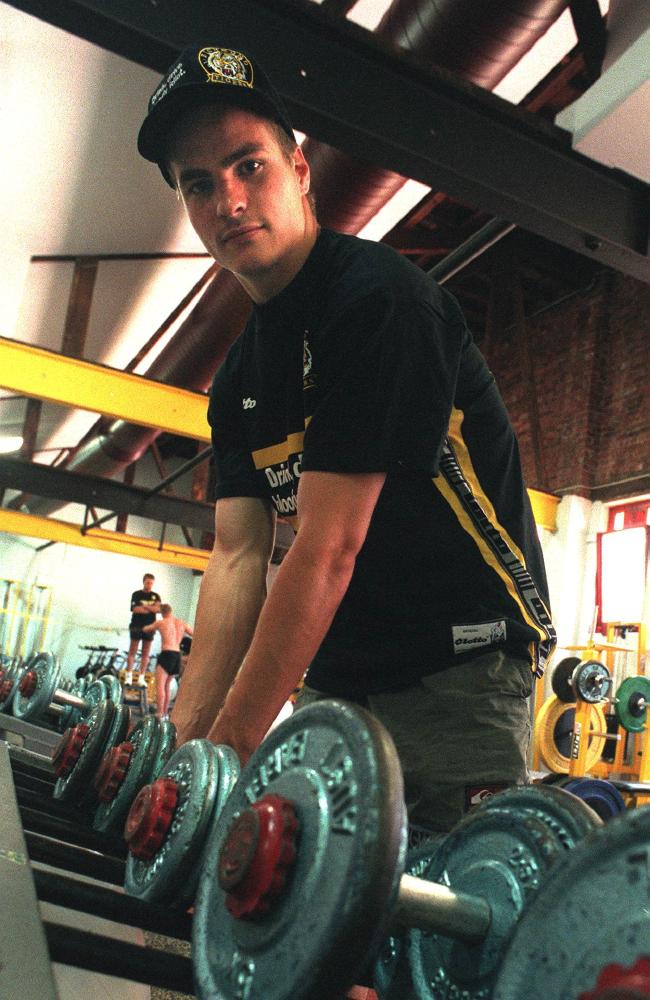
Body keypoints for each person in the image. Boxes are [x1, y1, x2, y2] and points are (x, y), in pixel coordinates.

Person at [137, 43, 556, 835]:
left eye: (247, 166)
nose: (227, 201)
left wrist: (232, 744)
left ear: (299, 170)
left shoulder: (381, 302)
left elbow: (329, 545)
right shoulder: (237, 382)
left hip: (458, 661)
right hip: (336, 669)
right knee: (307, 903)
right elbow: (234, 563)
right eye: (200, 184)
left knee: (444, 923)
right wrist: (185, 760)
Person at [143, 604, 193, 719]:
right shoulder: (181, 623)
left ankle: (159, 714)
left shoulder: (162, 622)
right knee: (167, 686)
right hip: (177, 656)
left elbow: (146, 629)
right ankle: (164, 714)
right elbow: (194, 634)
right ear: (171, 611)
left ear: (161, 612)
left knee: (160, 686)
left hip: (167, 653)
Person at [126, 573, 161, 686]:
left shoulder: (156, 596)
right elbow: (135, 609)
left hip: (150, 627)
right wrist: (150, 608)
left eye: (151, 583)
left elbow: (158, 610)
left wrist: (145, 607)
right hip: (136, 625)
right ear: (143, 582)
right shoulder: (136, 594)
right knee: (133, 651)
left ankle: (141, 677)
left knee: (146, 653)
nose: (149, 585)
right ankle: (129, 676)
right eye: (147, 582)